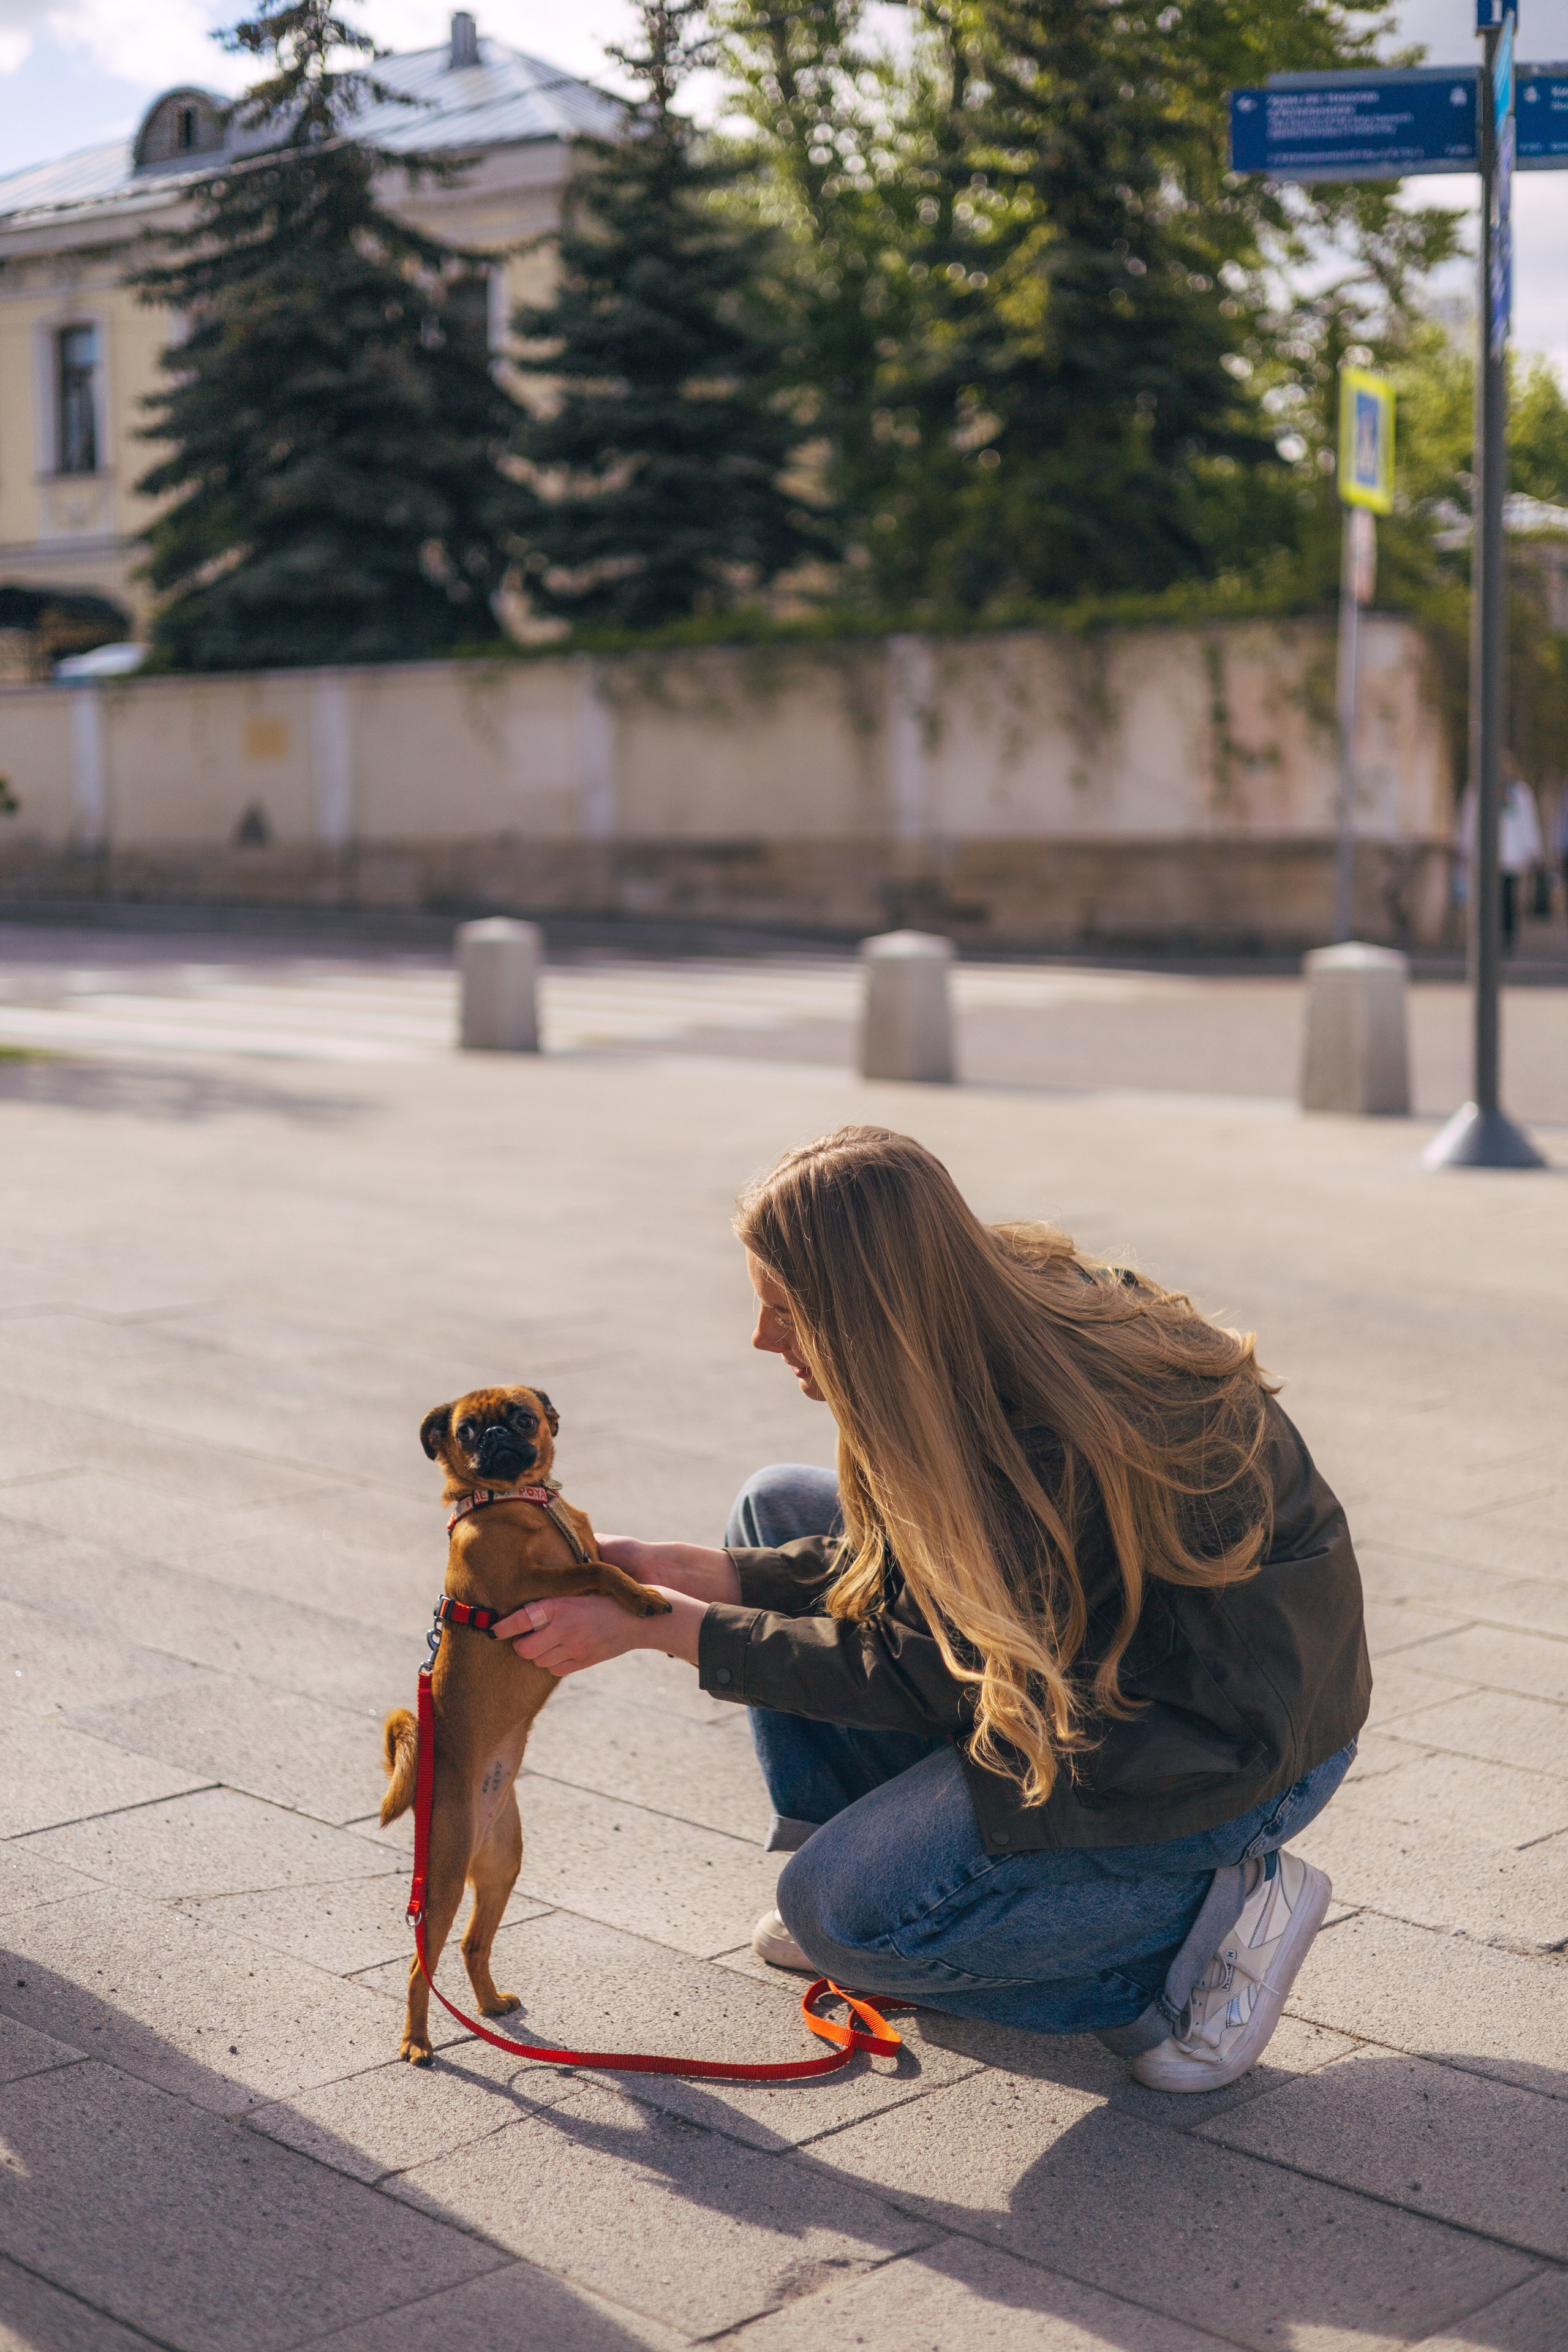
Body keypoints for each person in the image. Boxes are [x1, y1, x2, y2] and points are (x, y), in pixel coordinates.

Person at [494, 1126, 1369, 2093]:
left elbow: (926, 1668)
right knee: (773, 1507)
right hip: (1111, 1675)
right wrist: (687, 1571)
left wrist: (668, 1627)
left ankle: (1195, 1939)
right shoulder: (968, 1332)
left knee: (846, 1920)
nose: (760, 1338)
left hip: (1219, 1755)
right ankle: (898, 1866)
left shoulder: (1043, 1439)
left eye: (785, 1311)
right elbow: (922, 1584)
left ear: (867, 1313)